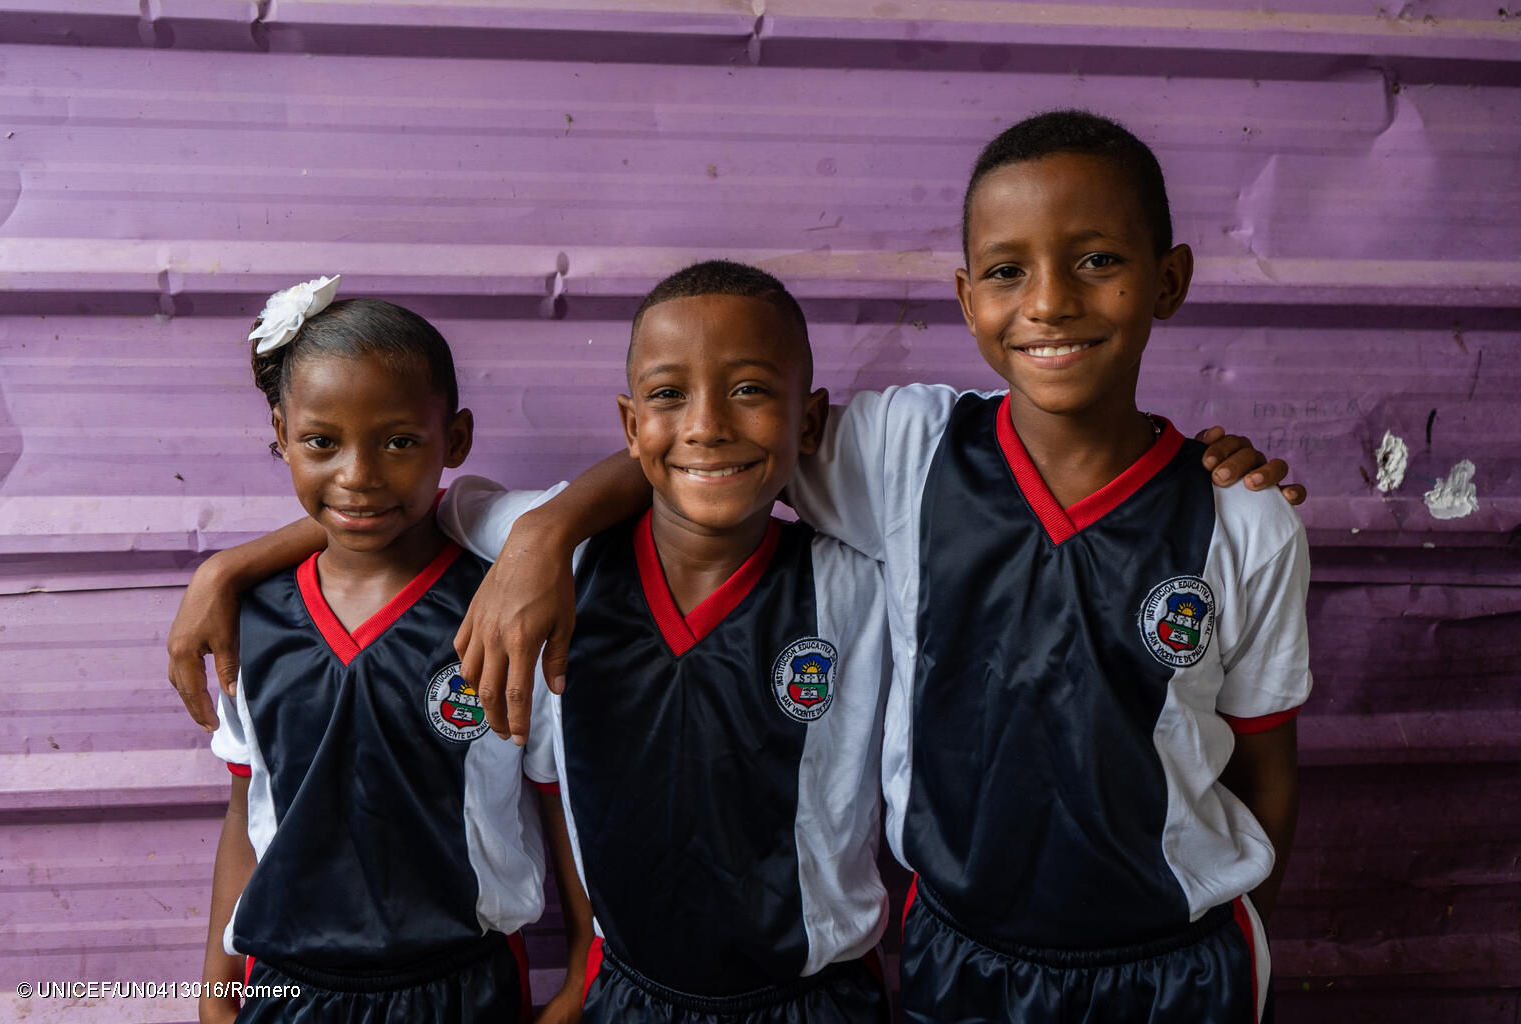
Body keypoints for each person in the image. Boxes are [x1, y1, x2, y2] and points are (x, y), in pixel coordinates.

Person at [444, 112, 1311, 1023]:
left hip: (1176, 965)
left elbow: (1268, 772)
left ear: (1168, 279)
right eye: (1010, 271)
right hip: (961, 954)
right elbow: (706, 456)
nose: (1051, 301)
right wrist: (548, 533)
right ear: (969, 298)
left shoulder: (1243, 516)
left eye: (1098, 260)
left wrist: (1246, 926)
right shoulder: (908, 448)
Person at [439, 261, 896, 1022]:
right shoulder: (564, 561)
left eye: (749, 388)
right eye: (667, 395)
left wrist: (547, 526)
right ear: (629, 427)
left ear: (808, 421)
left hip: (815, 1001)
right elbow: (433, 504)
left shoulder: (864, 581)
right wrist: (539, 535)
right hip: (631, 995)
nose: (707, 424)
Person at [198, 278, 591, 1024]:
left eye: (400, 441)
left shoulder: (505, 606)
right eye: (322, 442)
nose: (359, 476)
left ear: (457, 439)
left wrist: (580, 967)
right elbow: (247, 811)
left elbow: (559, 801)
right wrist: (216, 994)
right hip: (286, 987)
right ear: (280, 435)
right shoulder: (250, 617)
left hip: (461, 985)